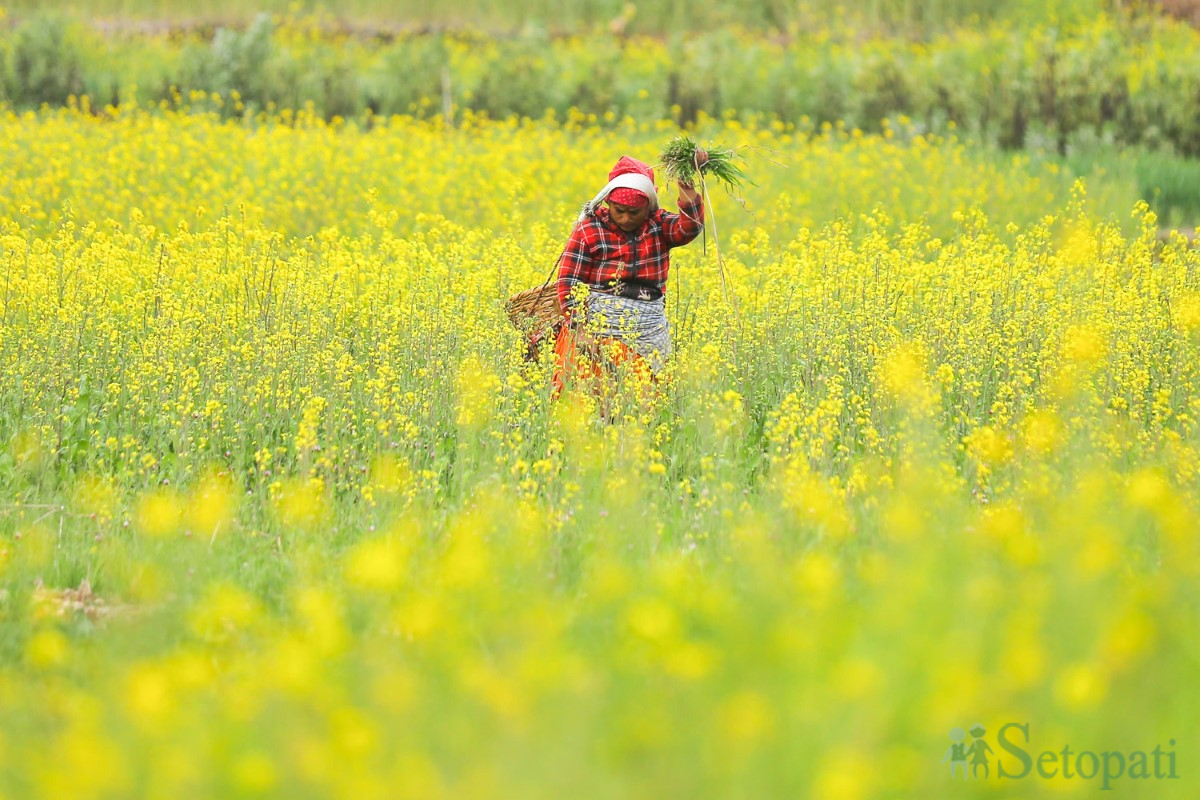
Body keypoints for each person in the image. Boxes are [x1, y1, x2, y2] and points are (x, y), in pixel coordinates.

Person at [552, 154, 705, 400]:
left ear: (649, 207)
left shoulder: (658, 225)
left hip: (647, 327)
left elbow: (689, 228)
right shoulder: (590, 229)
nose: (625, 219)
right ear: (608, 203)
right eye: (619, 210)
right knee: (588, 395)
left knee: (642, 399)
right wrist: (579, 329)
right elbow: (570, 281)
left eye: (635, 212)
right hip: (597, 328)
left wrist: (686, 184)